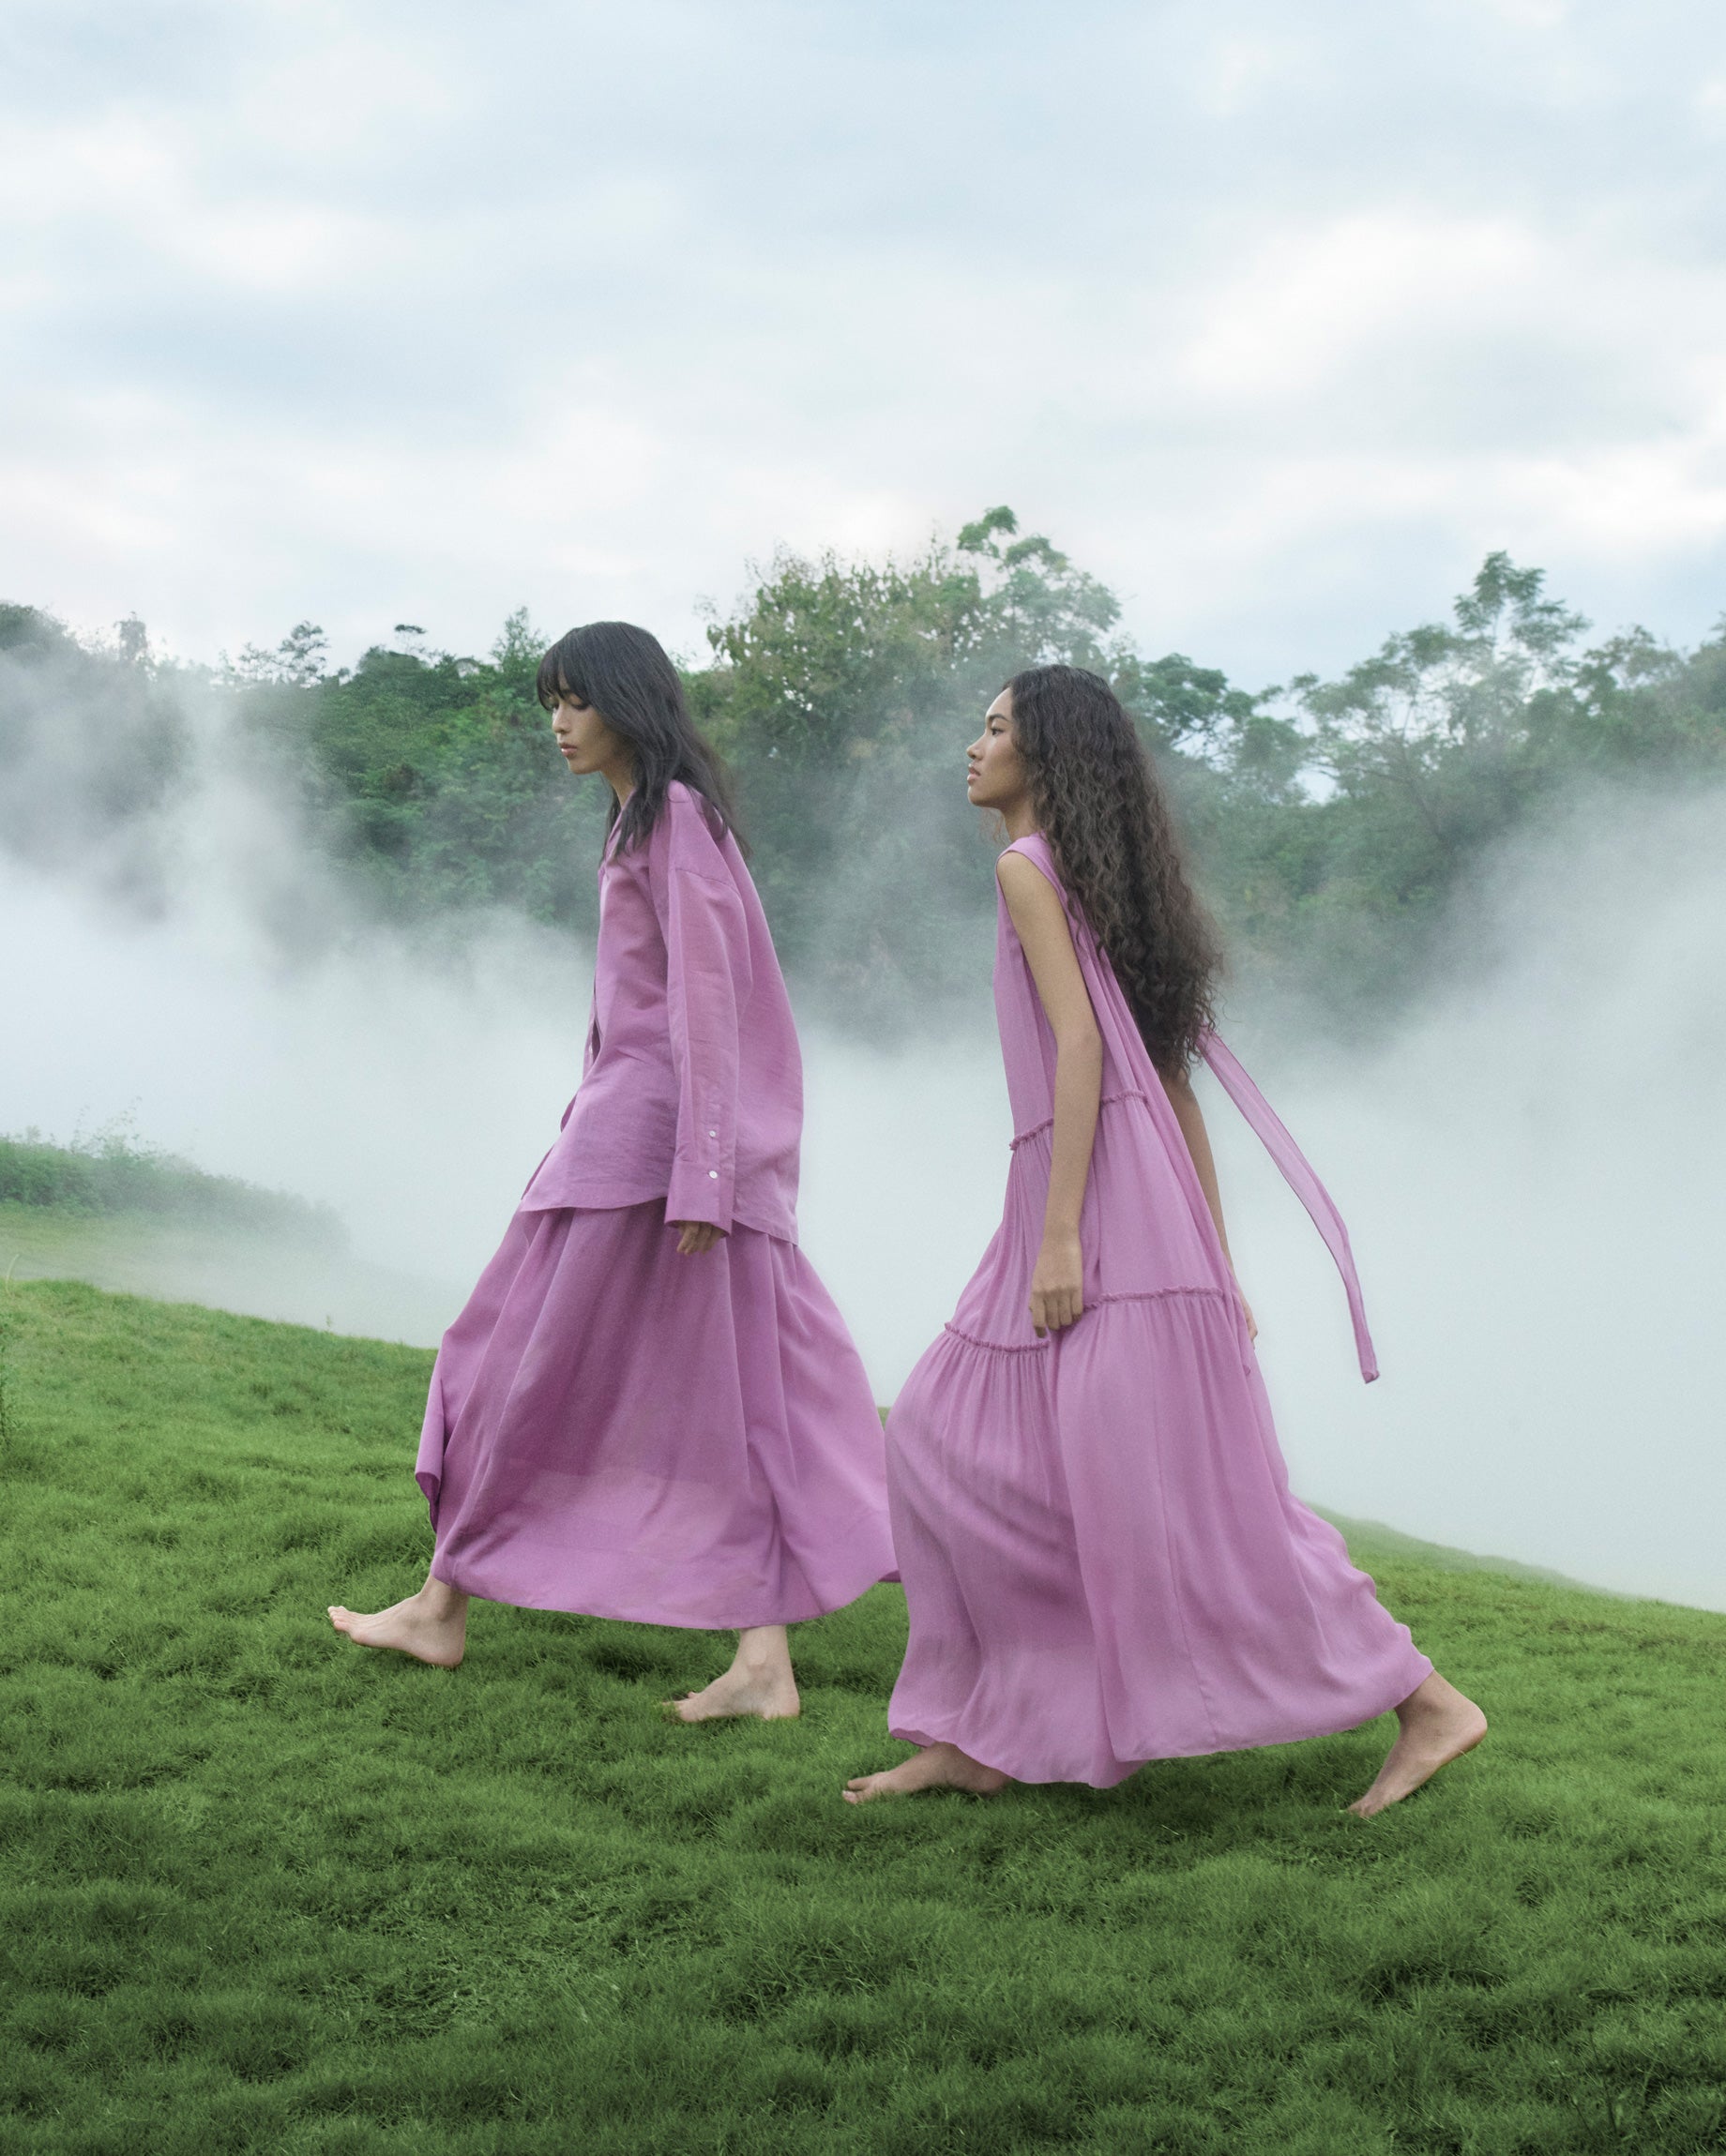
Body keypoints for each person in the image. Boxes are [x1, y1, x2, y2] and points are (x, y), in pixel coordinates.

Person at [844, 665, 1485, 1814]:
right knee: (948, 1440)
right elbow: (1172, 1086)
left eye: (993, 729)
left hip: (1092, 1211)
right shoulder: (1085, 883)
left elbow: (1085, 1054)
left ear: (1043, 756)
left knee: (1193, 1500)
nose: (971, 745)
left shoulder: (1026, 868)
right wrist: (1213, 1263)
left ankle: (1427, 1699)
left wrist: (1062, 1244)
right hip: (1122, 1212)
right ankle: (982, 1728)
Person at [331, 621, 895, 1719]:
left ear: (628, 703)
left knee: (509, 1365)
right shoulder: (644, 818)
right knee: (701, 1396)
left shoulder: (674, 818)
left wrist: (704, 1176)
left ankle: (443, 1610)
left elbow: (709, 1004)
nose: (558, 722)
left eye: (575, 701)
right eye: (552, 702)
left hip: (650, 1154)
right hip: (631, 1138)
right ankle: (758, 1663)